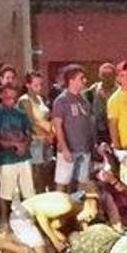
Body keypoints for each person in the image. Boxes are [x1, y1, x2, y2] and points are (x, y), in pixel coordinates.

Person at [0, 190, 100, 253]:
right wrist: (55, 241)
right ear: (86, 206)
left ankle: (7, 238)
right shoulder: (66, 205)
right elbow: (41, 216)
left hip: (23, 216)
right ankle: (3, 243)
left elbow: (53, 226)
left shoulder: (72, 202)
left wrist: (60, 239)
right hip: (22, 217)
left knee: (50, 251)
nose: (88, 220)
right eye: (90, 215)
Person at [0, 83, 36, 232]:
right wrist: (13, 144)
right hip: (6, 158)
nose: (11, 100)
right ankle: (5, 221)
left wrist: (25, 145)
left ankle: (29, 219)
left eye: (13, 98)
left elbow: (28, 133)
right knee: (6, 192)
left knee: (28, 191)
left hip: (23, 157)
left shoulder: (20, 113)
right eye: (8, 97)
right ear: (2, 96)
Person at [52, 64, 94, 192]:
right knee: (63, 182)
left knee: (82, 182)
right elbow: (58, 126)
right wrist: (64, 148)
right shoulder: (61, 101)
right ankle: (60, 204)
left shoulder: (84, 100)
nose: (85, 80)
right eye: (81, 78)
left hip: (84, 149)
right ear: (71, 80)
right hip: (69, 148)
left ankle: (78, 203)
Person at [18, 71, 55, 193]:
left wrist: (50, 135)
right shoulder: (25, 100)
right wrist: (44, 136)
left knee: (47, 172)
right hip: (35, 140)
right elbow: (31, 122)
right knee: (37, 173)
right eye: (36, 85)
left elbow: (48, 118)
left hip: (47, 137)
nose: (39, 88)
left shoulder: (40, 98)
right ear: (28, 85)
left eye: (41, 85)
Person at [87, 62, 116, 145]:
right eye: (104, 75)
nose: (106, 78)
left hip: (114, 128)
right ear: (99, 75)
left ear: (114, 76)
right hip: (98, 130)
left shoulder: (119, 90)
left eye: (109, 75)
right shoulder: (93, 90)